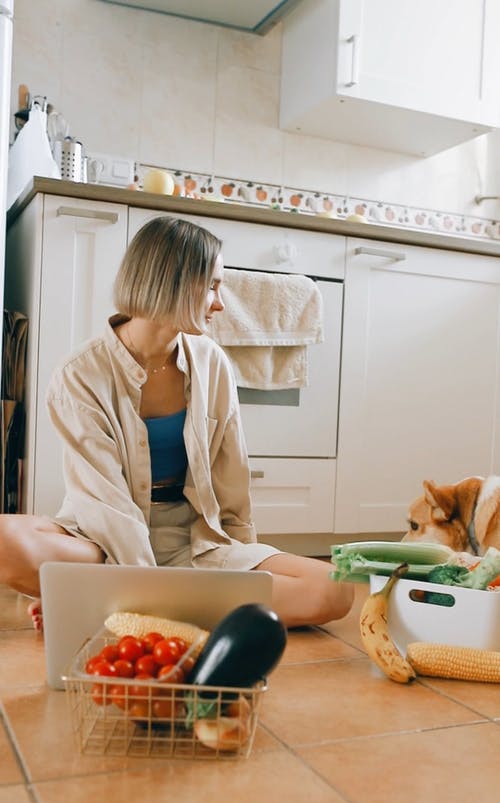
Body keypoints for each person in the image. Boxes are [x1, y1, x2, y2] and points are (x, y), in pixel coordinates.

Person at [0, 216, 354, 631]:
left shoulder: (212, 362)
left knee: (335, 589)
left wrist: (242, 557)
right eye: (212, 286)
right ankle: (150, 599)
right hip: (102, 538)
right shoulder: (80, 374)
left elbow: (230, 477)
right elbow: (105, 503)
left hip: (193, 538)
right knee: (6, 542)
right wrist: (143, 575)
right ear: (171, 281)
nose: (220, 303)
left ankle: (104, 603)